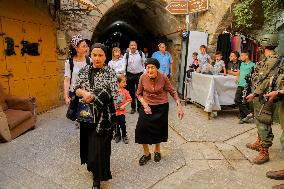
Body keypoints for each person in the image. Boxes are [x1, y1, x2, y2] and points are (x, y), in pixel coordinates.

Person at [73, 43, 118, 188]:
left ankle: (98, 179)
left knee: (100, 148)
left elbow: (115, 94)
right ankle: (94, 170)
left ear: (105, 57)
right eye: (94, 55)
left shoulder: (110, 72)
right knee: (90, 147)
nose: (97, 58)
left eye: (100, 55)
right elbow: (75, 89)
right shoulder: (84, 70)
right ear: (90, 55)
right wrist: (84, 93)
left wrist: (94, 97)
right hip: (86, 116)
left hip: (103, 118)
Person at [135, 58, 184, 166]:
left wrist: (179, 106)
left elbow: (172, 91)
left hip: (161, 106)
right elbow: (138, 94)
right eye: (148, 67)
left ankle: (157, 151)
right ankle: (146, 153)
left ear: (157, 68)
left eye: (152, 67)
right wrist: (144, 104)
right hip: (147, 105)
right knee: (141, 129)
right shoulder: (142, 77)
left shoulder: (163, 77)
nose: (150, 70)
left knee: (158, 130)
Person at [246, 34, 281, 164]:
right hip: (260, 95)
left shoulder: (273, 61)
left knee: (263, 120)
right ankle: (259, 142)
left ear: (264, 44)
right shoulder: (268, 59)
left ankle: (264, 151)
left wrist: (255, 93)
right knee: (258, 118)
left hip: (266, 96)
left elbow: (267, 81)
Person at [64, 34, 90, 128]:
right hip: (74, 92)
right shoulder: (69, 62)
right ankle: (79, 121)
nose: (86, 48)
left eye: (86, 46)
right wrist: (66, 96)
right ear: (76, 48)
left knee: (85, 113)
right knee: (75, 113)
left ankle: (82, 123)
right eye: (83, 46)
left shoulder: (89, 60)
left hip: (86, 91)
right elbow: (67, 80)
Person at [123, 41, 146, 114]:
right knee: (131, 92)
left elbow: (144, 63)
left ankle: (139, 107)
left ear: (136, 46)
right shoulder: (126, 55)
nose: (133, 46)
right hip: (130, 75)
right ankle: (133, 108)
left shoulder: (140, 53)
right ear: (129, 46)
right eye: (131, 45)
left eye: (134, 45)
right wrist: (124, 75)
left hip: (139, 75)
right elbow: (124, 65)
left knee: (139, 92)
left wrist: (144, 73)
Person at [234, 50, 255, 124]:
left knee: (244, 102)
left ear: (247, 56)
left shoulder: (252, 65)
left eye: (242, 55)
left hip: (247, 85)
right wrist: (237, 77)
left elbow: (255, 75)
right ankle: (248, 113)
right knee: (237, 100)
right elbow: (239, 72)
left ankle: (243, 118)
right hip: (240, 84)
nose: (240, 57)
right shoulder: (242, 64)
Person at [114, 75, 132, 144]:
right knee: (115, 124)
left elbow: (129, 99)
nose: (125, 84)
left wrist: (124, 105)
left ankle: (124, 135)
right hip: (114, 112)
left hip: (121, 112)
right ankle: (118, 135)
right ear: (118, 83)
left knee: (122, 124)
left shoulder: (125, 91)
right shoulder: (114, 91)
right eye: (123, 82)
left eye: (125, 82)